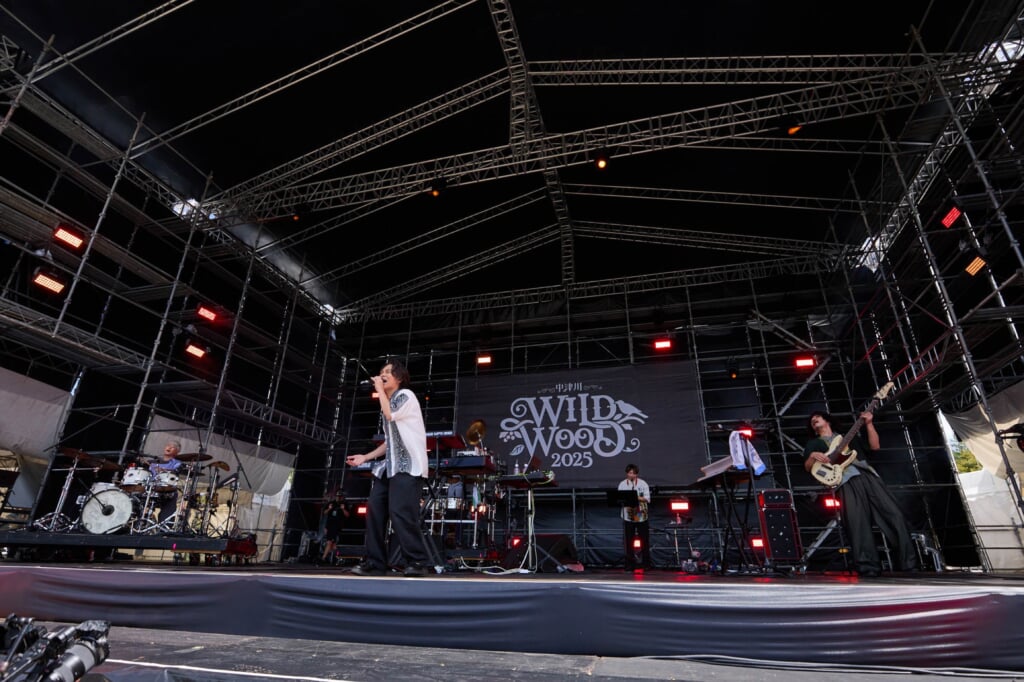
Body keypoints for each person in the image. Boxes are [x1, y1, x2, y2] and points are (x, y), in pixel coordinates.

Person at [803, 410, 918, 577]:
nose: (814, 420)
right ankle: (868, 566)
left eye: (817, 417)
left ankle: (908, 563)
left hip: (867, 476)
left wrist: (869, 424)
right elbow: (808, 467)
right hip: (845, 482)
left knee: (894, 515)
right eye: (812, 420)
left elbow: (875, 446)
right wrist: (813, 456)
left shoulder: (847, 437)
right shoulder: (814, 444)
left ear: (828, 420)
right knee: (858, 525)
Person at [345, 360, 431, 576]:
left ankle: (417, 561)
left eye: (387, 373)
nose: (382, 375)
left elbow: (390, 414)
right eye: (381, 372)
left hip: (408, 466)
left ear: (399, 378)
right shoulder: (389, 401)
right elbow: (389, 442)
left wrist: (379, 390)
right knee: (374, 510)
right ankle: (375, 562)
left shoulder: (405, 396)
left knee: (400, 512)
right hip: (389, 467)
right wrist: (365, 457)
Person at [618, 463, 652, 571]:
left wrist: (636, 497)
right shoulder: (622, 484)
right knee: (628, 541)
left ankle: (646, 564)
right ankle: (629, 564)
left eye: (633, 473)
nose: (631, 475)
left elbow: (647, 499)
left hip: (641, 515)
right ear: (626, 473)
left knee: (644, 540)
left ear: (637, 474)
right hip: (628, 515)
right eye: (629, 473)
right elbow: (619, 498)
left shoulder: (643, 483)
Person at [149, 439, 184, 526]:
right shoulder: (154, 462)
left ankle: (165, 526)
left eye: (173, 447)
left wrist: (164, 470)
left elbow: (175, 471)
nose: (169, 447)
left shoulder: (177, 463)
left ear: (177, 452)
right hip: (152, 488)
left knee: (171, 499)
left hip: (168, 489)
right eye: (168, 445)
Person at [319, 492, 350, 565]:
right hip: (330, 525)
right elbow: (325, 513)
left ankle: (332, 558)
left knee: (333, 544)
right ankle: (325, 558)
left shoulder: (344, 504)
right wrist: (329, 508)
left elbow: (347, 515)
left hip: (338, 526)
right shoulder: (331, 503)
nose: (339, 498)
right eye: (338, 496)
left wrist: (343, 509)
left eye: (340, 496)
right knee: (330, 542)